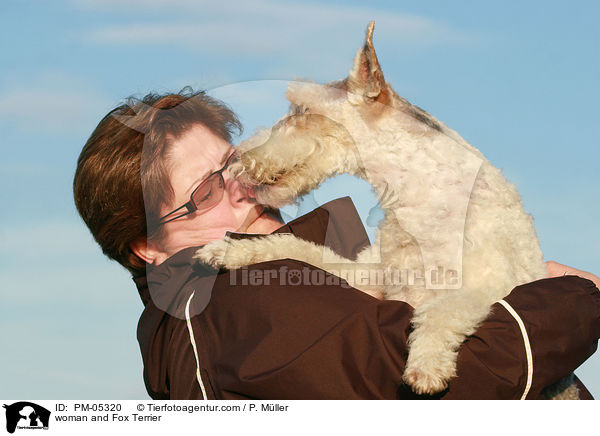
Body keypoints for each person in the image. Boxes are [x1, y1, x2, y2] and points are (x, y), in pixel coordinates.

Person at [73, 88, 600, 400]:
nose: (241, 183)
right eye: (206, 190)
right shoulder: (230, 296)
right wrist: (572, 297)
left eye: (232, 163)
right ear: (146, 245)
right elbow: (448, 383)